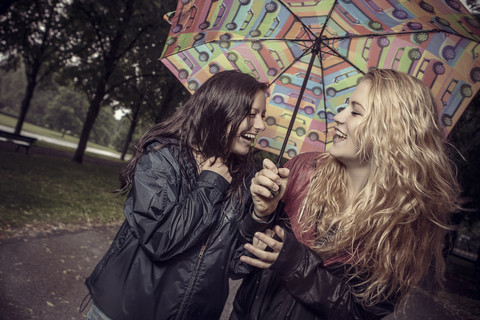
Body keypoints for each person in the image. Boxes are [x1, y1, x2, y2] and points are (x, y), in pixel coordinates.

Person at [230, 69, 462, 319]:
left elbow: (360, 313)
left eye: (355, 111)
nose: (339, 117)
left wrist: (297, 264)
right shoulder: (301, 170)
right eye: (345, 107)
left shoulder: (402, 225)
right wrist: (261, 213)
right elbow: (238, 261)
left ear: (390, 131)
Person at [82, 70, 268, 320]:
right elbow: (161, 240)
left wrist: (261, 213)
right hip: (125, 311)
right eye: (251, 114)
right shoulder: (162, 157)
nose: (261, 125)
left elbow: (235, 265)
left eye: (263, 116)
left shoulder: (246, 178)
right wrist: (211, 184)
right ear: (220, 108)